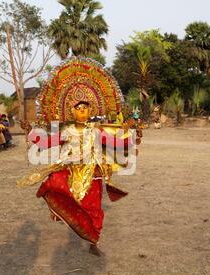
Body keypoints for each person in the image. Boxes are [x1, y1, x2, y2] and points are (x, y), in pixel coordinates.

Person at [17, 57, 143, 257]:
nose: (82, 112)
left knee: (94, 209)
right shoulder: (66, 132)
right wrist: (30, 132)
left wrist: (133, 139)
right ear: (71, 111)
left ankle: (94, 241)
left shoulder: (96, 130)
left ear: (91, 110)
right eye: (78, 108)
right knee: (54, 183)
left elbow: (114, 143)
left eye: (85, 108)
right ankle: (61, 210)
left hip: (93, 173)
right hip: (71, 170)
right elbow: (46, 142)